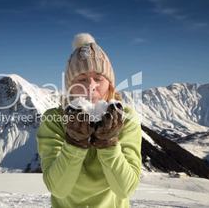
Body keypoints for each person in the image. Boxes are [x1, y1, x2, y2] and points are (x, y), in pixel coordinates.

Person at [36, 33, 142, 208]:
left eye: (99, 78)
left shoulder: (126, 118)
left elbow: (125, 189)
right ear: (70, 87)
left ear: (110, 84)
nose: (91, 85)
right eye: (82, 79)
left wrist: (108, 143)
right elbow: (58, 188)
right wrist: (74, 143)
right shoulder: (54, 119)